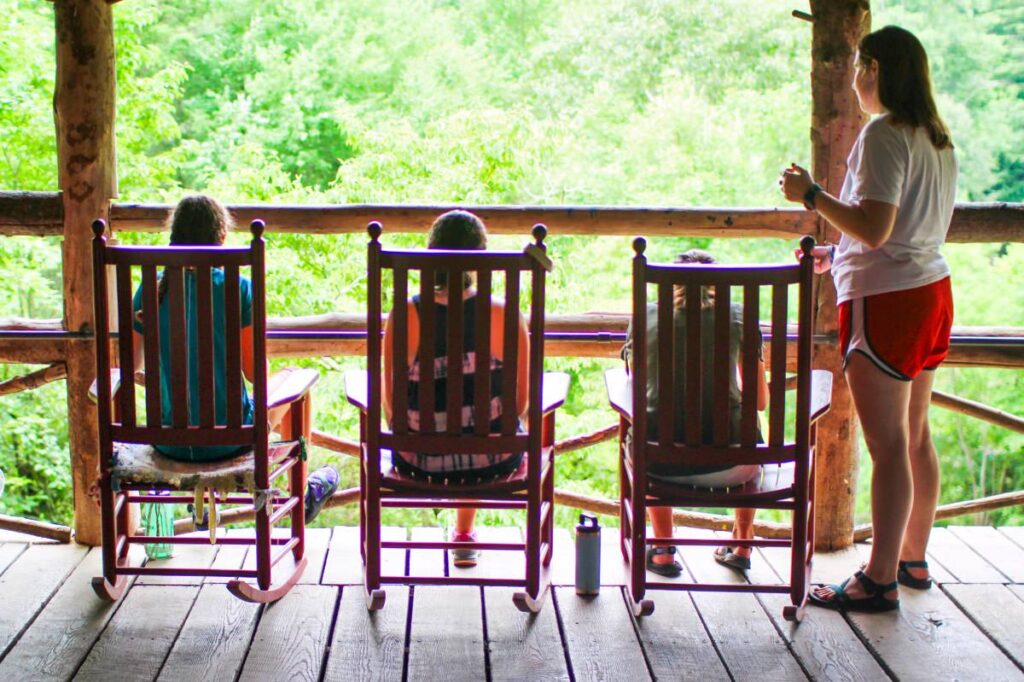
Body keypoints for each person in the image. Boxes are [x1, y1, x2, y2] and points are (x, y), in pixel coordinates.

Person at [781, 26, 956, 612]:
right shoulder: (936, 136)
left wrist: (811, 196)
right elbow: (902, 230)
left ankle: (878, 579)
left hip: (889, 302)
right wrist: (843, 253)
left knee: (886, 447)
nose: (855, 78)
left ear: (875, 68)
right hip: (930, 291)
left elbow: (877, 227)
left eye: (859, 66)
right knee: (916, 438)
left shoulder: (884, 133)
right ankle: (911, 558)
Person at [130, 195, 337, 524]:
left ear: (174, 238)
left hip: (167, 440)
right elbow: (255, 374)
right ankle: (306, 492)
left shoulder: (151, 290)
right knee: (297, 380)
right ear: (221, 237)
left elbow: (131, 365)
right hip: (231, 440)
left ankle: (203, 501)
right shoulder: (238, 288)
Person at [382, 210, 529, 568]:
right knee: (484, 423)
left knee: (456, 420)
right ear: (482, 262)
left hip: (417, 459)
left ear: (430, 255)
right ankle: (464, 533)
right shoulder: (504, 313)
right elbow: (520, 404)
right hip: (495, 459)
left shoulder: (405, 313)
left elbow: (390, 408)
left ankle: (461, 534)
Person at [622, 249, 769, 578]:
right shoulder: (737, 317)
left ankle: (662, 548)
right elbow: (759, 400)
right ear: (719, 284)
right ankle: (742, 543)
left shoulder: (644, 316)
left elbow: (635, 387)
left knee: (654, 424)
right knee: (748, 425)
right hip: (734, 466)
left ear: (669, 283)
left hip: (658, 466)